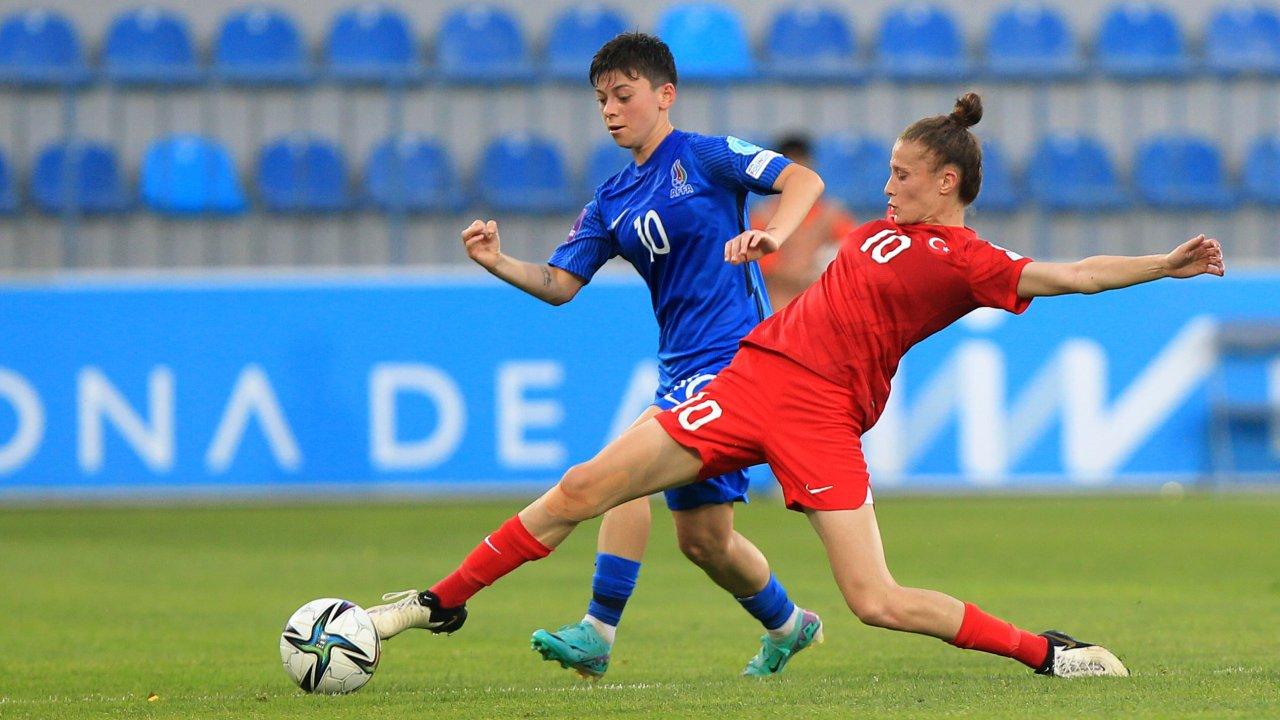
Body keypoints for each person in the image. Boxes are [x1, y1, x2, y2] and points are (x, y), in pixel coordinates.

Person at [368, 93, 1225, 679]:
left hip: (822, 420)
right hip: (751, 380)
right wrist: (769, 242)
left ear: (946, 183)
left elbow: (1073, 273)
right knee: (588, 485)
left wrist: (1164, 265)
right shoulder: (875, 233)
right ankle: (432, 604)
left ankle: (1048, 653)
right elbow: (802, 237)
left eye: (900, 173)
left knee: (877, 603)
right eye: (888, 171)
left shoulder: (970, 261)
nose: (886, 184)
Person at [368, 32, 828, 679]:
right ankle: (789, 625)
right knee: (705, 541)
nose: (611, 109)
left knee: (596, 482)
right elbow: (561, 285)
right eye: (601, 100)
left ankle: (543, 621)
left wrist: (773, 233)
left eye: (624, 94)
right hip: (683, 374)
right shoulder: (613, 200)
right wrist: (498, 262)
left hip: (737, 371)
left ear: (665, 95)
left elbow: (803, 179)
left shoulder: (707, 157)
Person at [750, 134, 858, 309]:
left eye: (802, 165)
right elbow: (763, 267)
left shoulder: (832, 215)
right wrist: (804, 277)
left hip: (821, 305)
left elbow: (852, 254)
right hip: (778, 308)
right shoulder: (764, 216)